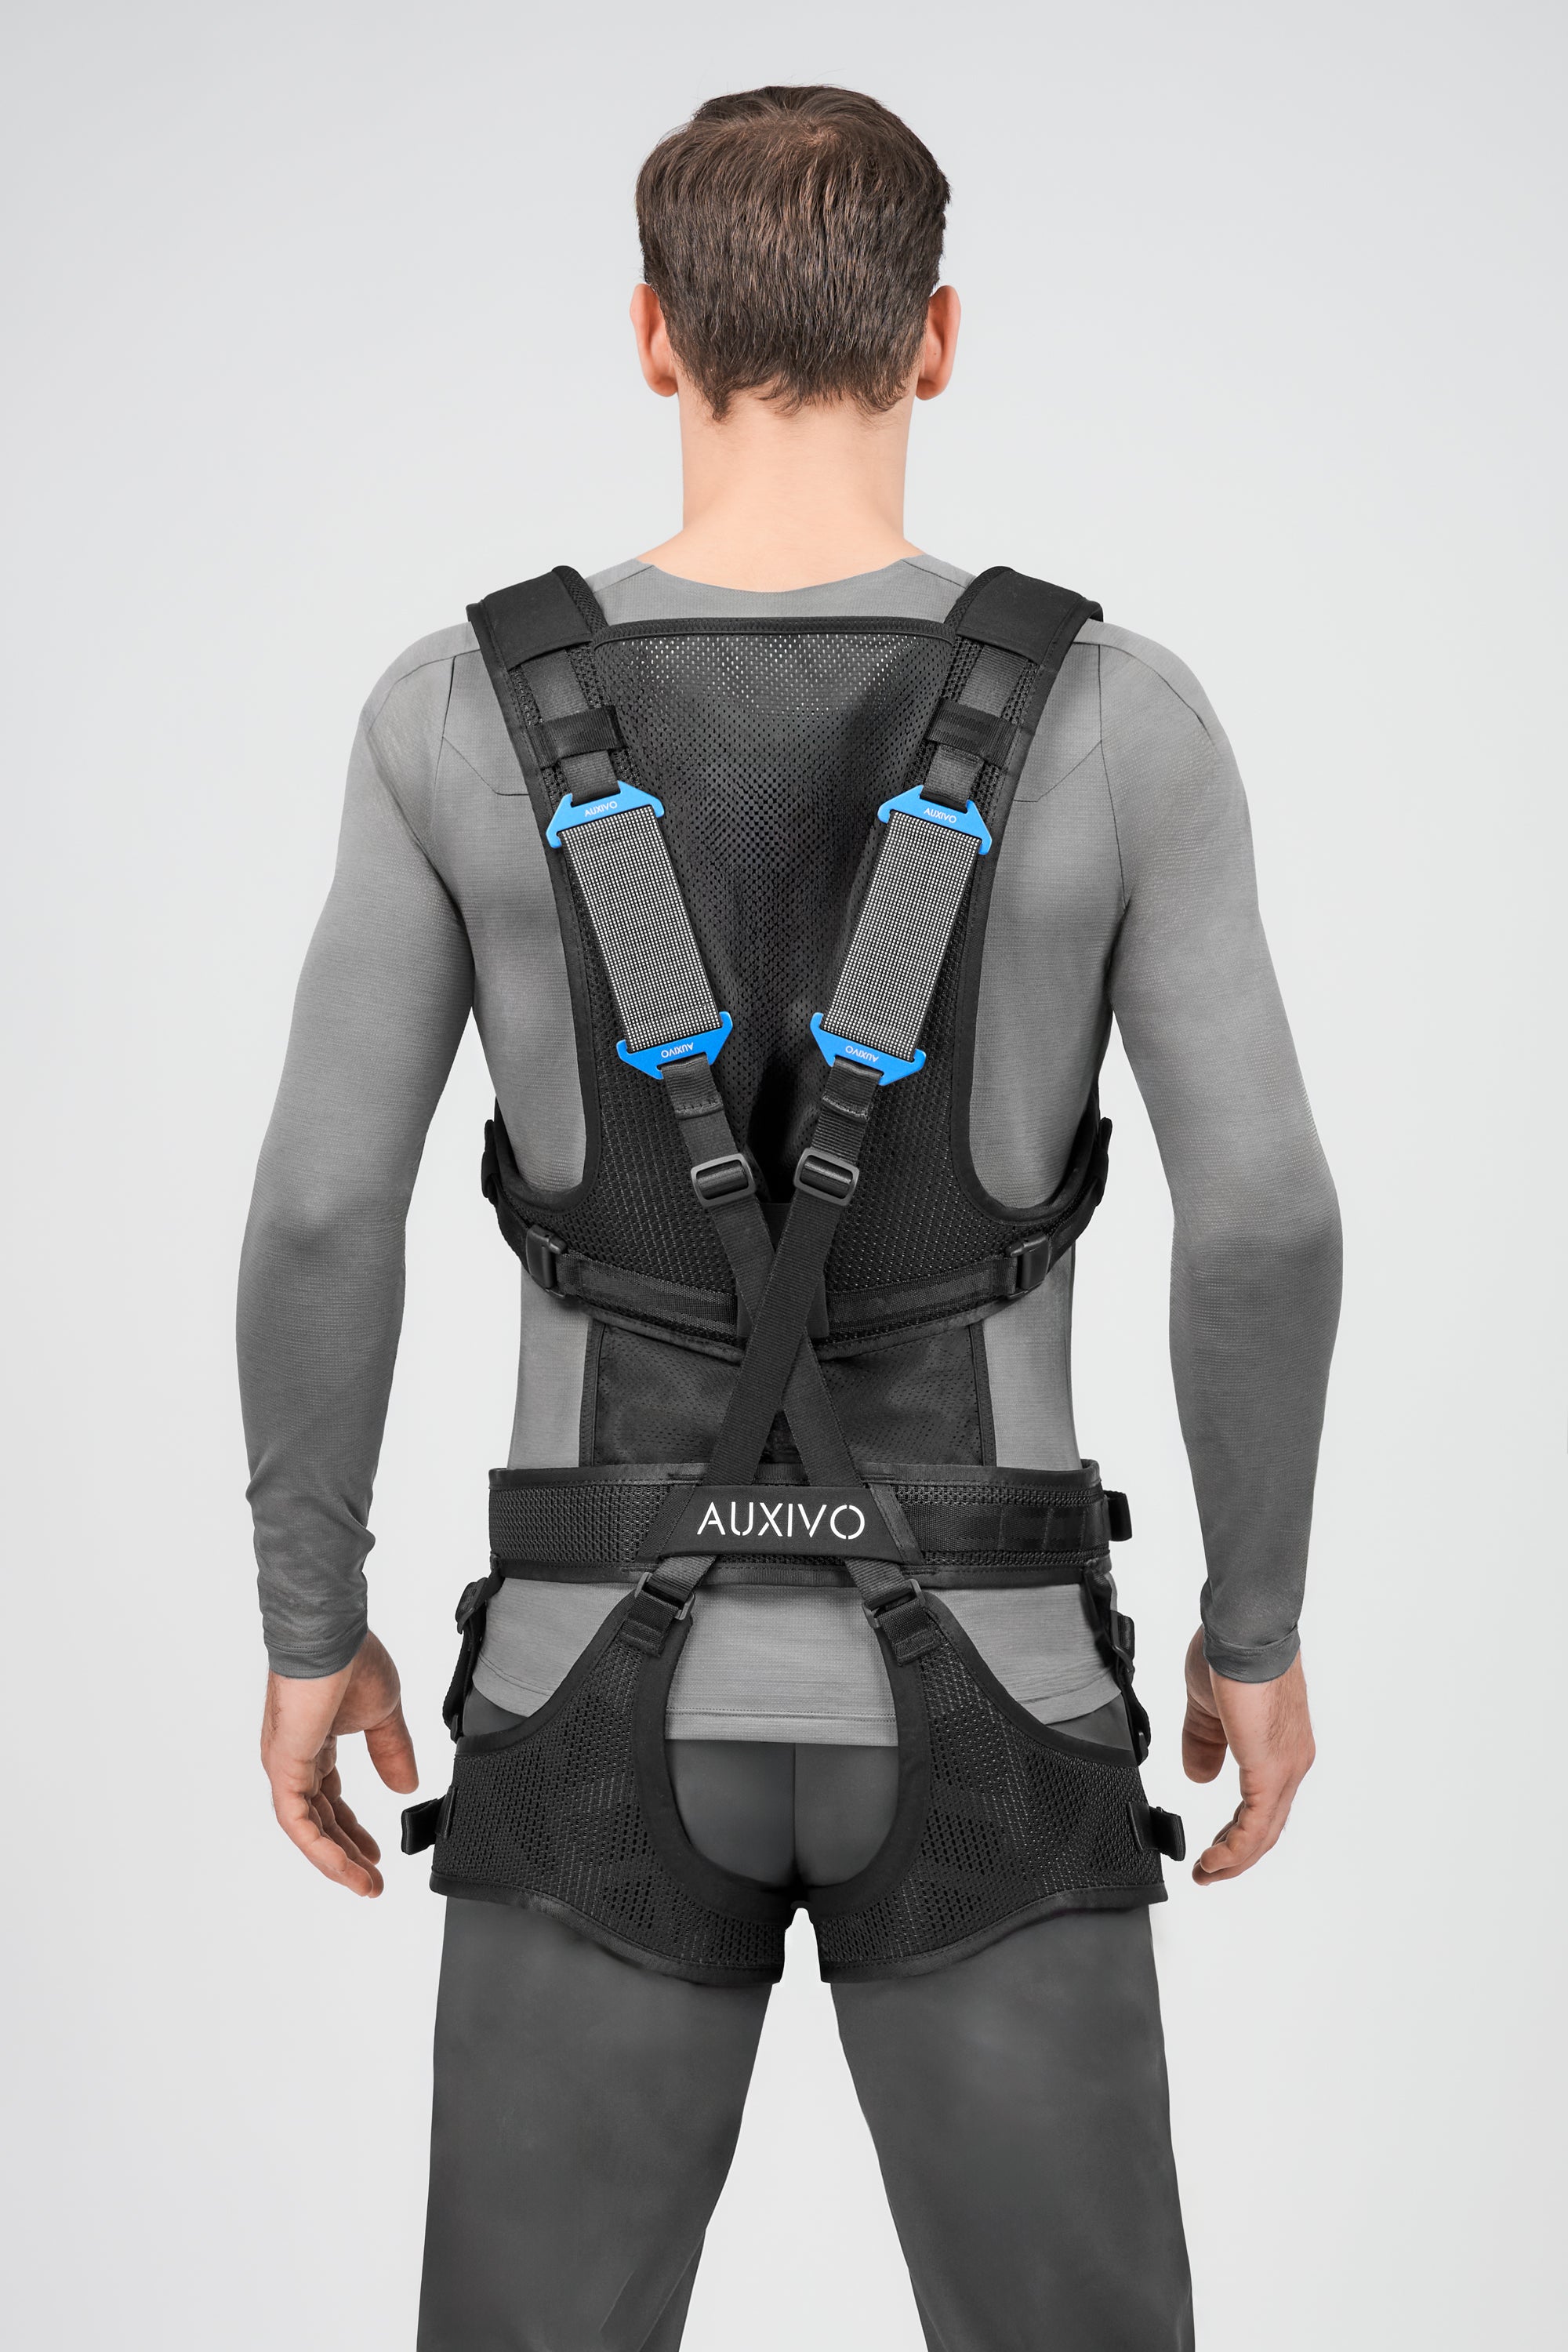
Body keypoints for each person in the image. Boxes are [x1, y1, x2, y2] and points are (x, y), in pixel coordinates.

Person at [241, 84, 1340, 2351]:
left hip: (579, 1680)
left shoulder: (455, 714)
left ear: (654, 334)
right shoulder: (1117, 720)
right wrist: (1252, 1634)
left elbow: (326, 1212)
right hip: (1000, 1681)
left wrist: (305, 1620)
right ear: (935, 337)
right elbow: (1265, 1229)